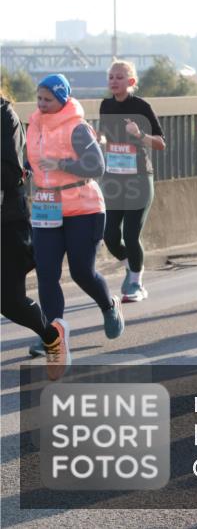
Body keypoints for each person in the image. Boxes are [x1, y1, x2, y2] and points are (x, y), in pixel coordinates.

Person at [26, 74, 123, 380]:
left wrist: (62, 166)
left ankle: (108, 306)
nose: (42, 104)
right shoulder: (34, 125)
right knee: (47, 272)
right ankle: (53, 336)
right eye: (39, 98)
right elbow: (28, 160)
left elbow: (97, 166)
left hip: (83, 207)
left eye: (48, 99)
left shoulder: (77, 128)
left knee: (82, 271)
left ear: (63, 100)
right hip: (46, 207)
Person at [99, 60, 165, 303]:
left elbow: (160, 143)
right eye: (111, 77)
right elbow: (106, 135)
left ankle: (137, 282)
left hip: (139, 178)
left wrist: (139, 134)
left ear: (131, 82)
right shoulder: (105, 105)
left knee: (131, 232)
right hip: (114, 178)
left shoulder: (141, 106)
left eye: (119, 77)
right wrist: (99, 139)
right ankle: (131, 264)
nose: (114, 81)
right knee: (110, 235)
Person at [2, 94, 55, 359]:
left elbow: (11, 174)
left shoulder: (5, 115)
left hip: (7, 222)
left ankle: (53, 337)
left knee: (11, 303)